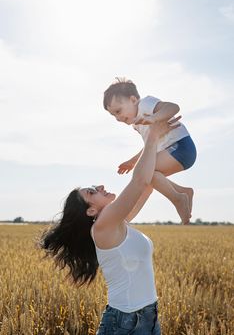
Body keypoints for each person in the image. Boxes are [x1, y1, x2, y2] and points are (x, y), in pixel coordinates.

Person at [40, 118, 180, 334]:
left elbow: (148, 182)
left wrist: (160, 140)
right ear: (91, 211)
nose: (100, 186)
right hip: (124, 323)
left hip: (149, 317)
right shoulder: (102, 228)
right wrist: (152, 135)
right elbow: (139, 182)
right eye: (91, 191)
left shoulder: (118, 223)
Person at [103, 78, 197, 224]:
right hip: (173, 151)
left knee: (145, 174)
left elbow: (173, 107)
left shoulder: (145, 105)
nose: (117, 118)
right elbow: (149, 146)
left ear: (133, 99)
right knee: (146, 180)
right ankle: (125, 221)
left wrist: (154, 117)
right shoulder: (137, 124)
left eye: (118, 111)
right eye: (113, 115)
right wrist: (133, 161)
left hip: (180, 147)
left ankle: (178, 198)